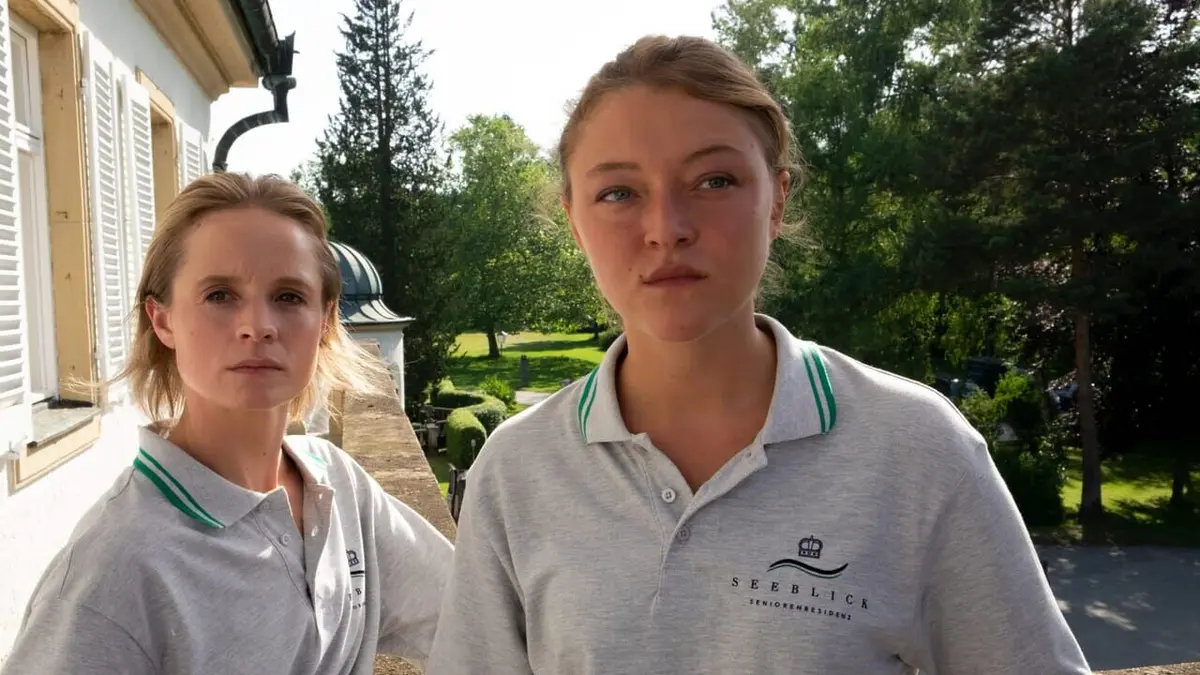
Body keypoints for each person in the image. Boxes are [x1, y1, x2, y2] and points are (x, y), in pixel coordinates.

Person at [425, 35, 1091, 674]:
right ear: (575, 222)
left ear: (776, 201)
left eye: (714, 180)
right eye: (619, 192)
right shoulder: (516, 472)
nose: (666, 229)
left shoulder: (917, 449)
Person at [2, 173, 454, 674]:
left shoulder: (339, 486)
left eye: (289, 296)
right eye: (220, 295)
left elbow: (472, 616)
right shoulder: (110, 575)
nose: (257, 326)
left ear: (324, 321)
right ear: (163, 320)